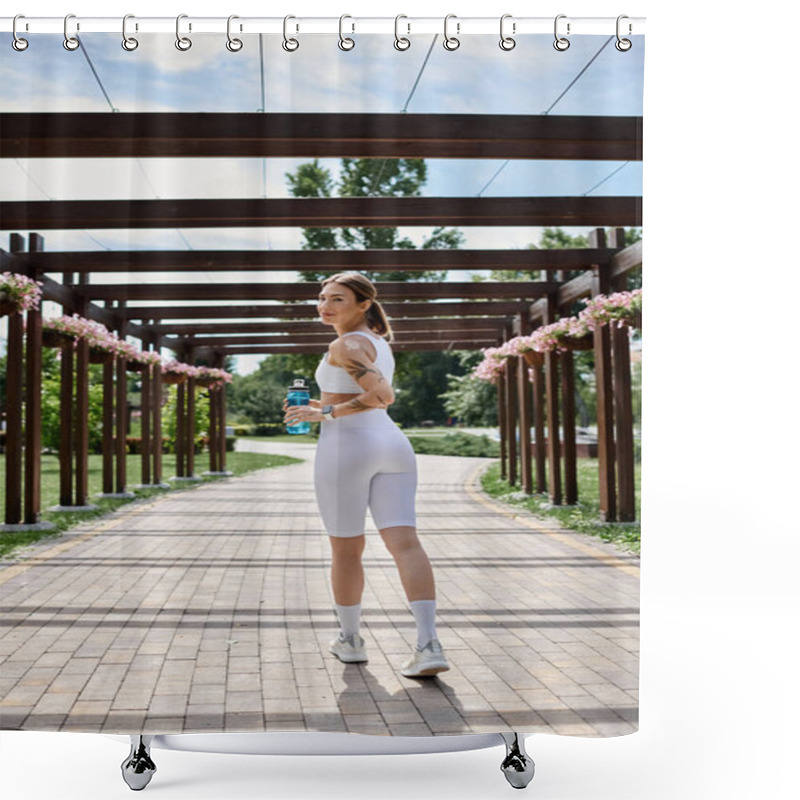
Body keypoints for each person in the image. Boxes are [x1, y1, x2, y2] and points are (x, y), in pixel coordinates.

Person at [283, 272, 449, 678]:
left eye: (337, 299)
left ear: (363, 305)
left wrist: (324, 413)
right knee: (406, 544)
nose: (325, 305)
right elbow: (367, 395)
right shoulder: (375, 343)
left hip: (347, 448)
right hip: (391, 445)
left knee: (346, 549)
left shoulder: (346, 343)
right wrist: (321, 404)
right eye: (322, 298)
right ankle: (428, 644)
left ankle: (351, 640)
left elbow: (381, 395)